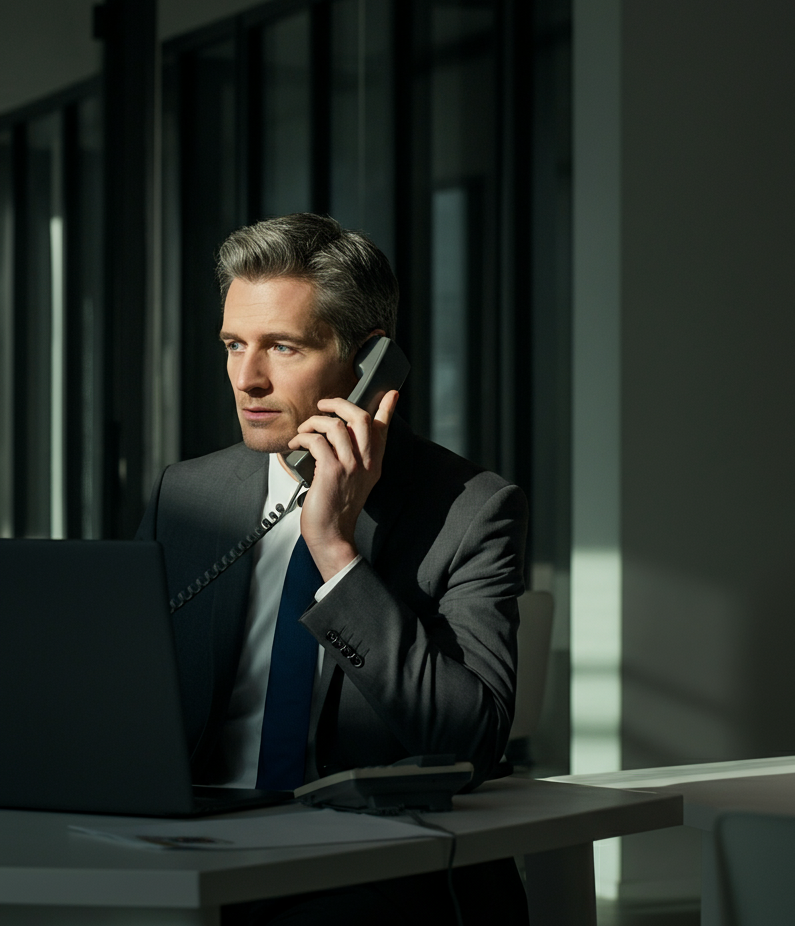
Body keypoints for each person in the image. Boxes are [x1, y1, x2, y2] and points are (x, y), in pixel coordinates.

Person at [136, 213, 529, 925]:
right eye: (233, 345)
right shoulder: (185, 497)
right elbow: (118, 695)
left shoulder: (472, 510)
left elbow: (469, 743)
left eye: (282, 347)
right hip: (192, 852)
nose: (247, 380)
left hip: (373, 872)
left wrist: (336, 551)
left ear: (369, 361)